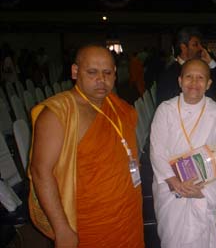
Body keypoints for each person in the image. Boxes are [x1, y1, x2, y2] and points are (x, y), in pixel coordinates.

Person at [28, 44, 144, 247]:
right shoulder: (58, 114)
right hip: (90, 224)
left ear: (115, 74)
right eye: (92, 72)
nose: (101, 79)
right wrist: (62, 228)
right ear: (75, 72)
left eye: (107, 72)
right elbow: (40, 172)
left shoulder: (117, 105)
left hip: (128, 215)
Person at [150, 58, 216, 248]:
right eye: (189, 77)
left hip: (203, 191)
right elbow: (157, 149)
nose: (194, 83)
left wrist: (203, 192)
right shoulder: (166, 110)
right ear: (180, 81)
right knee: (172, 239)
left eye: (200, 78)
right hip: (171, 190)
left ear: (208, 83)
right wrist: (174, 182)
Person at [156, 27, 216, 106]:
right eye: (195, 45)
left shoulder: (199, 68)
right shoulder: (170, 75)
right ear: (183, 48)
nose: (201, 48)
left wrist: (210, 62)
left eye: (200, 44)